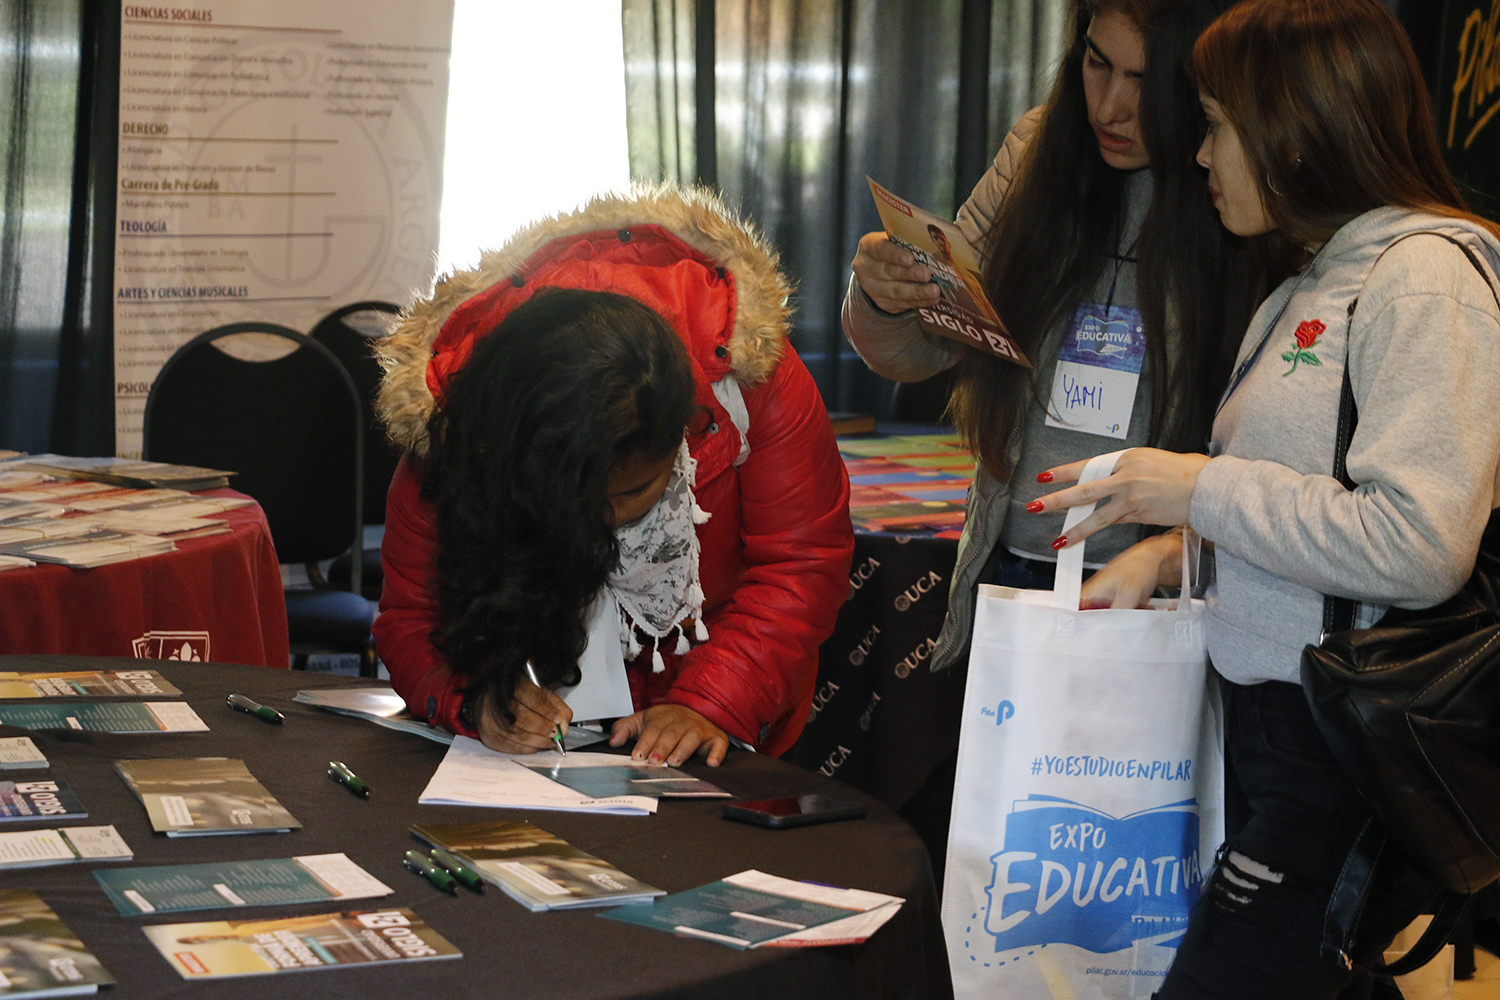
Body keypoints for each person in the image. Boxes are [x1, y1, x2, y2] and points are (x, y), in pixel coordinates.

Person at [1029, 1, 1500, 995]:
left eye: (1217, 124)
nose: (1199, 155)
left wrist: (1198, 489)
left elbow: (1418, 545)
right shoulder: (1308, 281)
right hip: (1276, 725)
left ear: (1298, 130)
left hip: (1340, 738)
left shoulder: (1422, 280)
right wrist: (1172, 552)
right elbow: (1309, 517)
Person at [843, 0, 1268, 677]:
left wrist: (1180, 551)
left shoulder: (1241, 187)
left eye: (1145, 82)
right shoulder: (1036, 154)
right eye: (1097, 65)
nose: (1110, 108)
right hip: (1014, 560)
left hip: (1165, 582)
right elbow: (922, 349)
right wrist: (883, 296)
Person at [373, 186, 855, 767]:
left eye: (631, 493)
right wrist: (474, 696)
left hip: (721, 706)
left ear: (685, 430)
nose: (603, 522)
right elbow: (412, 616)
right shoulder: (458, 429)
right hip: (536, 746)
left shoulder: (755, 379)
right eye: (570, 500)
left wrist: (709, 702)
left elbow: (801, 566)